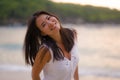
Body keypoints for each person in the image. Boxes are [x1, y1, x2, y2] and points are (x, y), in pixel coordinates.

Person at [23, 11, 79, 80]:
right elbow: (34, 75)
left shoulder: (72, 35)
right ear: (42, 33)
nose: (50, 23)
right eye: (44, 25)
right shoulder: (46, 50)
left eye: (48, 18)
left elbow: (74, 62)